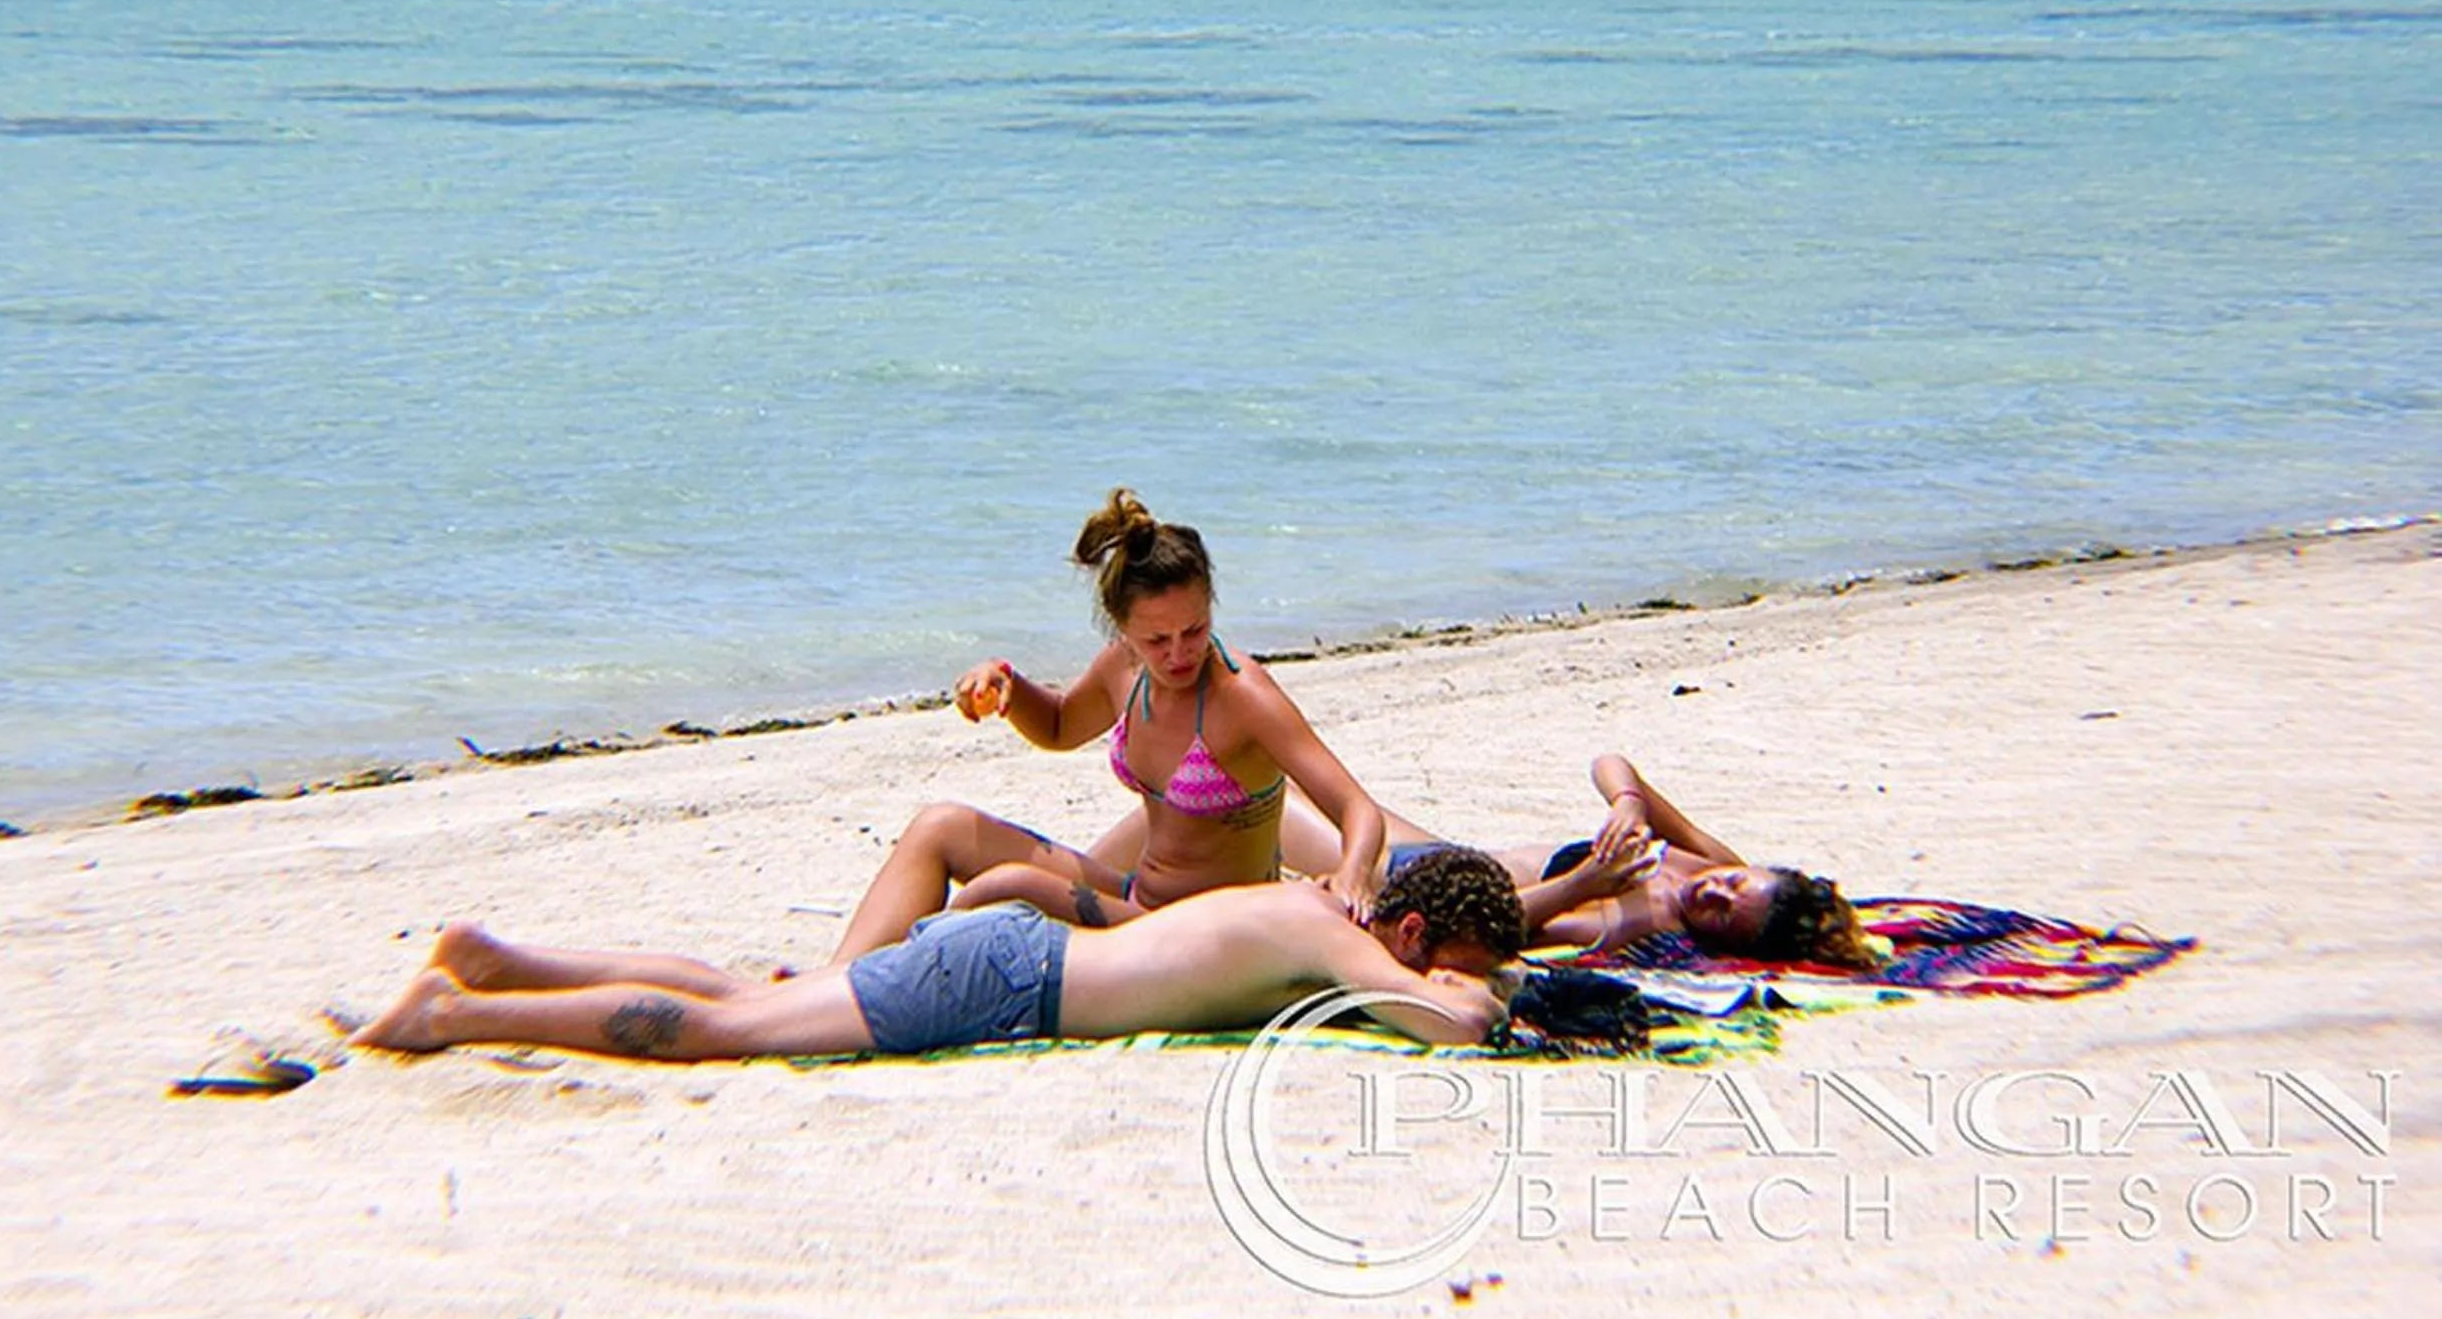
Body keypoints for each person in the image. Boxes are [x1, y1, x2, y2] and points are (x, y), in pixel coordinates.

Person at [844, 489, 1386, 958]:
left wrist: (1353, 875)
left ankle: (886, 985)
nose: (1179, 654)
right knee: (940, 827)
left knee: (1003, 887)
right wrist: (1006, 682)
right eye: (1157, 640)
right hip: (1134, 897)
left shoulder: (1241, 695)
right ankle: (835, 980)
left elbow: (1356, 808)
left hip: (1201, 931)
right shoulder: (1122, 668)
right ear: (1122, 629)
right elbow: (1059, 726)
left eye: (1195, 631)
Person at [352, 846, 1524, 1061]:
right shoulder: (1328, 933)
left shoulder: (1312, 923)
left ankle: (500, 960)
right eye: (1452, 956)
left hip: (1011, 960)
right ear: (1412, 934)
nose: (1452, 976)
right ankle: (453, 1015)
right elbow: (1456, 1023)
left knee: (749, 995)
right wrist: (1470, 991)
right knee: (727, 1032)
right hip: (1002, 980)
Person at [1274, 753, 1888, 969]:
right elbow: (1610, 763)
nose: (1715, 892)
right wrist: (1629, 805)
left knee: (1256, 790)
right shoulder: (1706, 863)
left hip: (1410, 884)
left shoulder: (1642, 921)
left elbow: (1493, 928)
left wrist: (1583, 883)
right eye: (1733, 882)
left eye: (1724, 914)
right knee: (1284, 780)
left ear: (1728, 942)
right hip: (1451, 856)